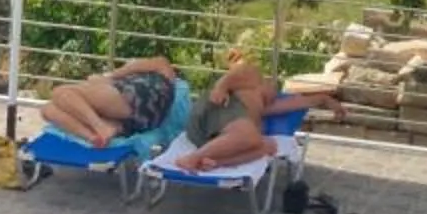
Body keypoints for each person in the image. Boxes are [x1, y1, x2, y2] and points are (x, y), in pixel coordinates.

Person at [178, 54, 342, 170]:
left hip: (215, 137)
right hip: (220, 109)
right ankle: (193, 158)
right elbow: (237, 73)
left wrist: (325, 100)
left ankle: (213, 162)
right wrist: (221, 87)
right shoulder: (254, 80)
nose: (276, 93)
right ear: (266, 83)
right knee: (251, 135)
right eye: (274, 87)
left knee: (267, 146)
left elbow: (295, 102)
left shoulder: (262, 106)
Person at [36, 56, 184, 148]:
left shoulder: (159, 72)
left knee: (60, 92)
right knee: (47, 109)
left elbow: (159, 61)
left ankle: (99, 127)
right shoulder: (164, 84)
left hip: (137, 97)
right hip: (141, 121)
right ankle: (94, 137)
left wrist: (110, 76)